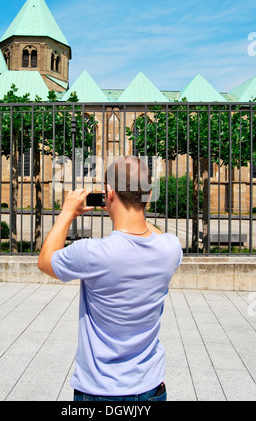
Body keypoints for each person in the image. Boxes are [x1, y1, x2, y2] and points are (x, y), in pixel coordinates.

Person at [38, 156, 183, 402]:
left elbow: (45, 261)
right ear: (148, 195)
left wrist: (67, 212)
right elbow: (151, 233)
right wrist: (136, 209)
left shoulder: (93, 253)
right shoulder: (171, 249)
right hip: (151, 387)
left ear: (109, 194)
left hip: (101, 390)